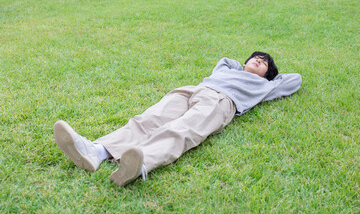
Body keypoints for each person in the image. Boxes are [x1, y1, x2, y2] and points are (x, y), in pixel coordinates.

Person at [53, 52, 302, 187]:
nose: (260, 61)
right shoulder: (227, 69)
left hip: (222, 102)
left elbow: (295, 80)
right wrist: (243, 65)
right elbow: (225, 61)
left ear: (268, 75)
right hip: (194, 90)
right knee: (148, 119)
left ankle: (138, 165)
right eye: (256, 57)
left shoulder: (264, 86)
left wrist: (269, 78)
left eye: (265, 64)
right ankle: (96, 152)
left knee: (183, 129)